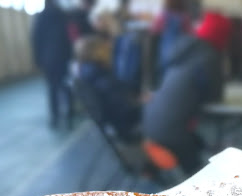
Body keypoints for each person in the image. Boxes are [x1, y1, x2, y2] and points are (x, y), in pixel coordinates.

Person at [143, 12, 232, 176]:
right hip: (172, 135)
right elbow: (216, 96)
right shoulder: (209, 56)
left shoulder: (183, 50)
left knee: (198, 141)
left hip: (151, 126)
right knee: (199, 172)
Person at [74, 35, 142, 141]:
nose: (109, 49)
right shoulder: (103, 79)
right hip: (125, 127)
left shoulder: (87, 73)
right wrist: (142, 104)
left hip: (114, 126)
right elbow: (124, 110)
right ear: (98, 53)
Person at [31, 0, 73, 129]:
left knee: (52, 88)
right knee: (65, 84)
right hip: (63, 56)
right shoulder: (63, 15)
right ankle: (70, 110)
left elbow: (36, 38)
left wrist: (38, 59)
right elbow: (69, 36)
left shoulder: (41, 16)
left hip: (48, 58)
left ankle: (55, 116)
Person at [151, 0, 191, 76]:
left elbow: (155, 31)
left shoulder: (163, 16)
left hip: (165, 50)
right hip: (180, 50)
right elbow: (190, 34)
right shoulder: (184, 17)